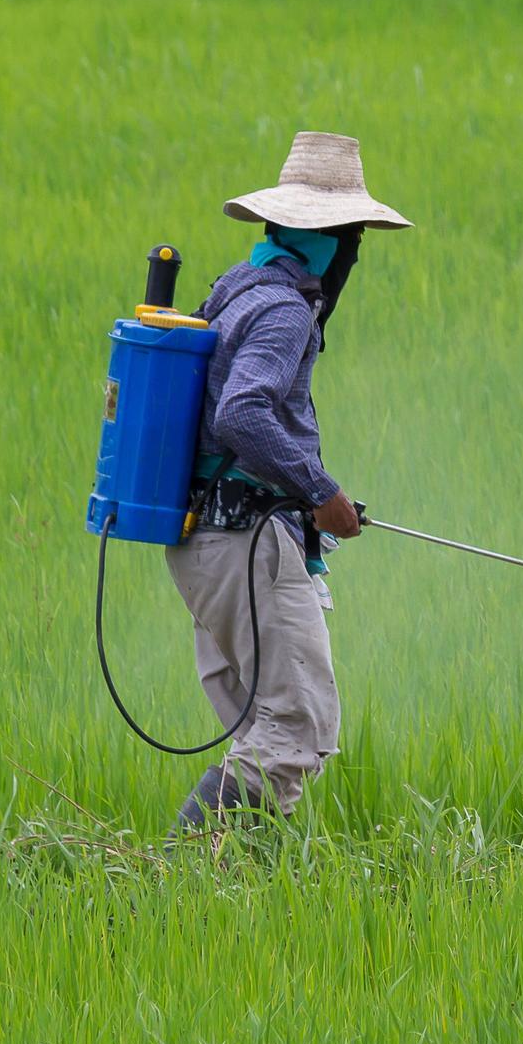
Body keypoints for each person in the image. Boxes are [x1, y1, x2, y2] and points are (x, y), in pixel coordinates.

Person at [170, 130, 410, 829]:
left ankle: (231, 899)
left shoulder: (235, 288)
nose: (353, 252)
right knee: (295, 728)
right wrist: (319, 492)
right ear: (328, 236)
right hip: (246, 541)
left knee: (263, 730)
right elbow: (245, 412)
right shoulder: (281, 308)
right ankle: (184, 882)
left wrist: (306, 499)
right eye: (353, 236)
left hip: (206, 539)